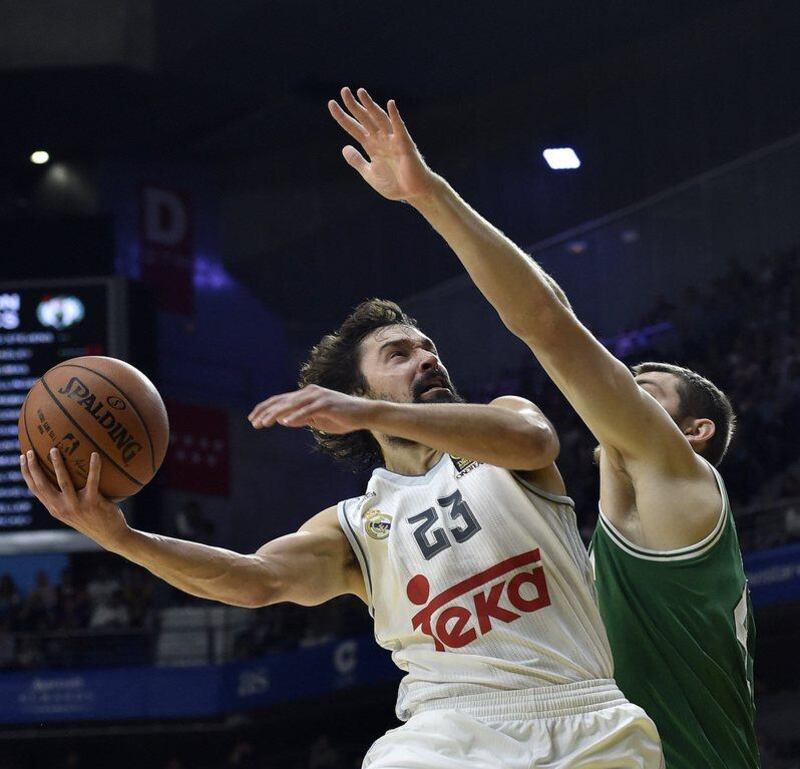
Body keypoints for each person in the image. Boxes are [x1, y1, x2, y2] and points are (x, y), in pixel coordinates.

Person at [20, 298, 663, 768]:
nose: (426, 358)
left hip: (584, 715)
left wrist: (371, 410)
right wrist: (123, 539)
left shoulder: (501, 425)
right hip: (450, 732)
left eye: (428, 347)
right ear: (354, 390)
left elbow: (536, 440)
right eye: (400, 353)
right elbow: (255, 581)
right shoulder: (355, 524)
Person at [326, 87, 759, 769]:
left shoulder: (682, 489)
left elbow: (549, 323)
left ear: (695, 431)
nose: (618, 394)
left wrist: (428, 194)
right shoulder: (598, 555)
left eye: (642, 392)